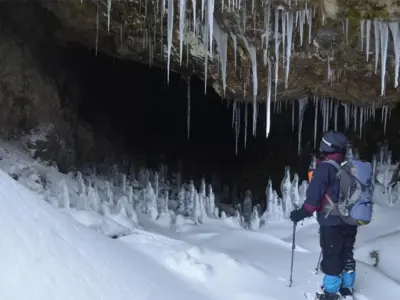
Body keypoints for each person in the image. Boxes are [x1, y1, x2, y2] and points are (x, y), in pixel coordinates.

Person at [290, 130, 356, 300]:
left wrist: (300, 213)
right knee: (347, 252)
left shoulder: (324, 169)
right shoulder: (349, 168)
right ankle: (347, 287)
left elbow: (313, 199)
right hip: (350, 220)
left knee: (332, 256)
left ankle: (331, 293)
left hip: (332, 222)